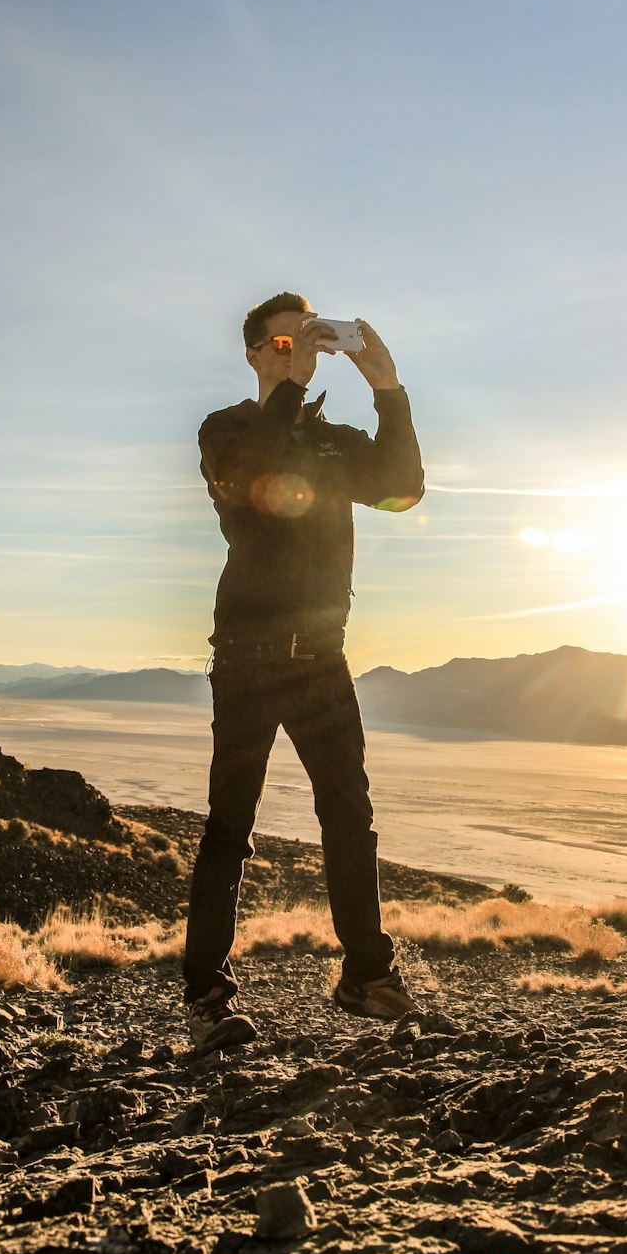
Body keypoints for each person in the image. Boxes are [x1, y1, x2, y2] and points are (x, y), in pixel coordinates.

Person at [183, 291, 426, 1050]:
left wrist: (387, 389)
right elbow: (253, 470)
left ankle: (366, 978)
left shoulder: (334, 443)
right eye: (282, 347)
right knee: (231, 829)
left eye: (309, 344)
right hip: (248, 661)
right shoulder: (225, 432)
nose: (301, 357)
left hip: (323, 659)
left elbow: (402, 489)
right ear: (254, 355)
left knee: (349, 820)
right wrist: (293, 384)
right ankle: (207, 1001)